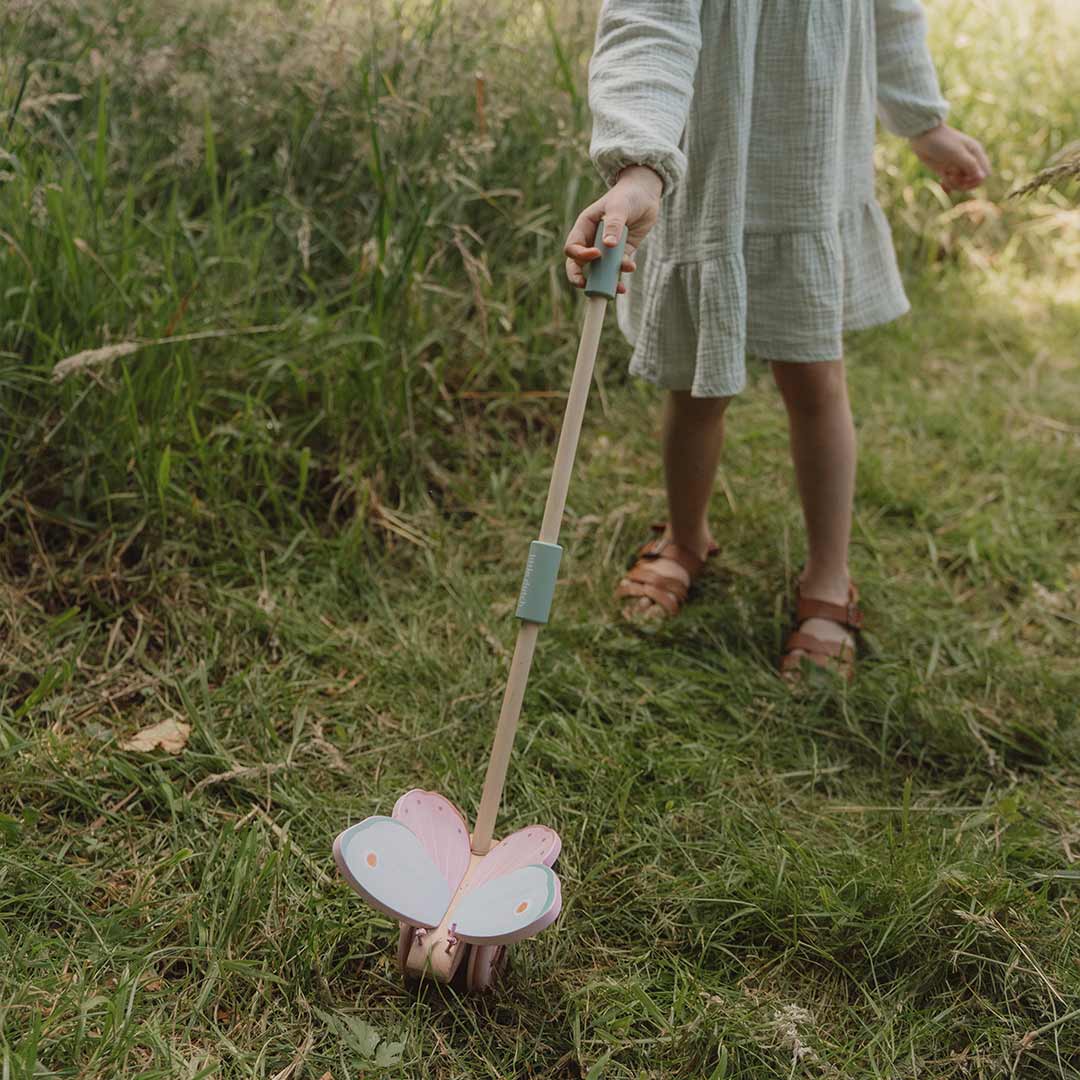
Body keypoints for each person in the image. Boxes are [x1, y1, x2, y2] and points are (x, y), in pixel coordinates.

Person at [564, 0, 990, 680]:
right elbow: (650, 23)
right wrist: (639, 165)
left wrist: (923, 122)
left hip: (810, 165)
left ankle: (829, 575)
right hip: (707, 167)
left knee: (815, 379)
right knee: (695, 383)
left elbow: (890, 13)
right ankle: (685, 537)